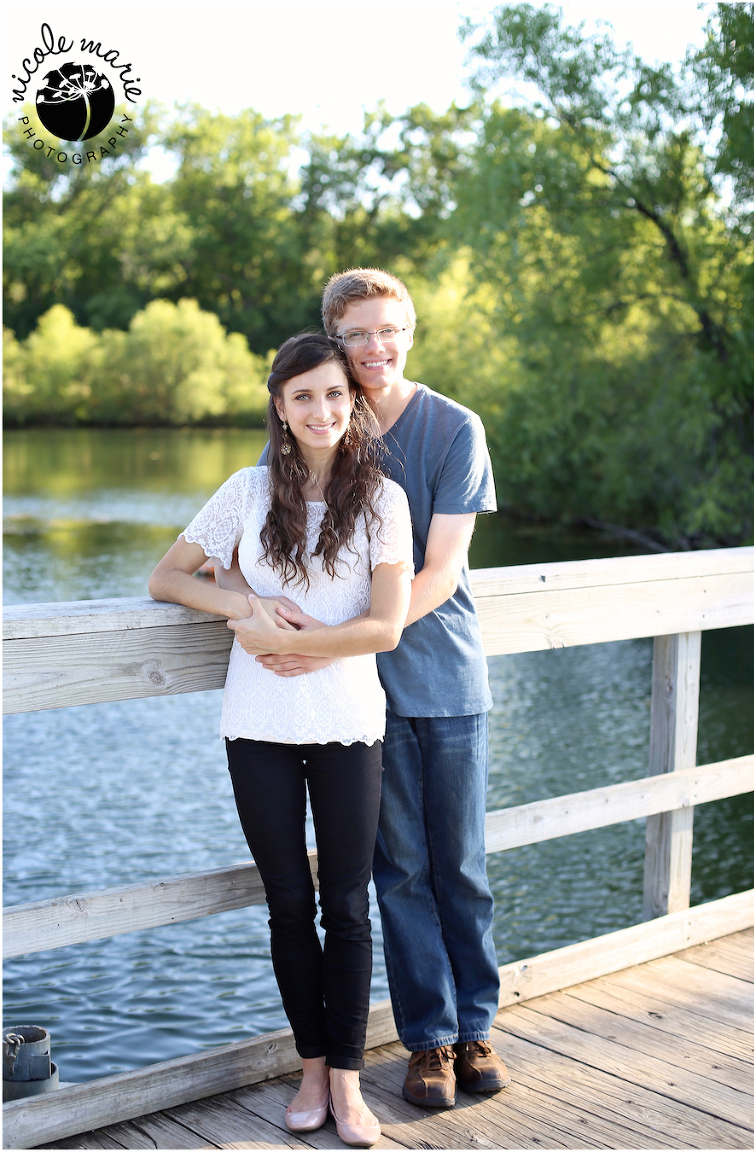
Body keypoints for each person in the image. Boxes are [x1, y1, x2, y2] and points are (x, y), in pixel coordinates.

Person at [228, 269, 509, 1109]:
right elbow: (251, 541)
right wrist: (257, 610)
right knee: (398, 873)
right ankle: (428, 1041)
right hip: (353, 706)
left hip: (443, 679)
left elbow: (441, 570)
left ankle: (476, 1027)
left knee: (461, 866)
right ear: (335, 342)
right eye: (357, 334)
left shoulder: (454, 428)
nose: (375, 348)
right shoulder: (321, 425)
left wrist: (342, 641)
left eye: (390, 330)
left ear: (410, 333)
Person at [148, 332, 414, 1148]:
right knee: (288, 904)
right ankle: (311, 1068)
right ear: (280, 406)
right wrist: (247, 610)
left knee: (348, 905)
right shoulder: (246, 490)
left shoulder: (384, 500)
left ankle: (349, 1081)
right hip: (257, 725)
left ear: (352, 401)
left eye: (334, 394)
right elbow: (166, 576)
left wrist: (311, 646)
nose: (321, 410)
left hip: (347, 724)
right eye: (303, 396)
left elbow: (387, 627)